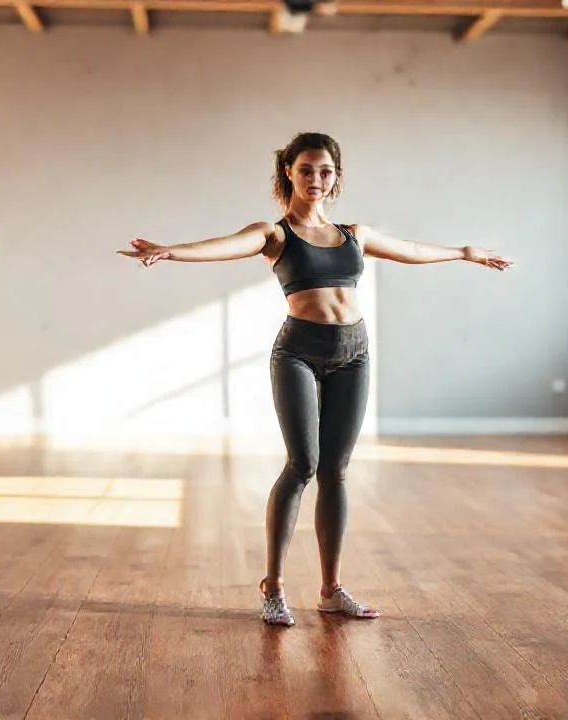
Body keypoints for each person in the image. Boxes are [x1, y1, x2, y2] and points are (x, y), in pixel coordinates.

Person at [119, 132, 512, 627]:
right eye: (306, 170)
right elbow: (223, 245)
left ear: (336, 177)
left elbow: (409, 248)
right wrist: (172, 251)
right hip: (298, 354)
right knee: (303, 464)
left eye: (325, 171)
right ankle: (274, 586)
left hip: (354, 354)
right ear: (289, 171)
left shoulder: (355, 234)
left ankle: (331, 589)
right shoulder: (276, 234)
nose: (316, 180)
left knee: (336, 471)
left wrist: (464, 251)